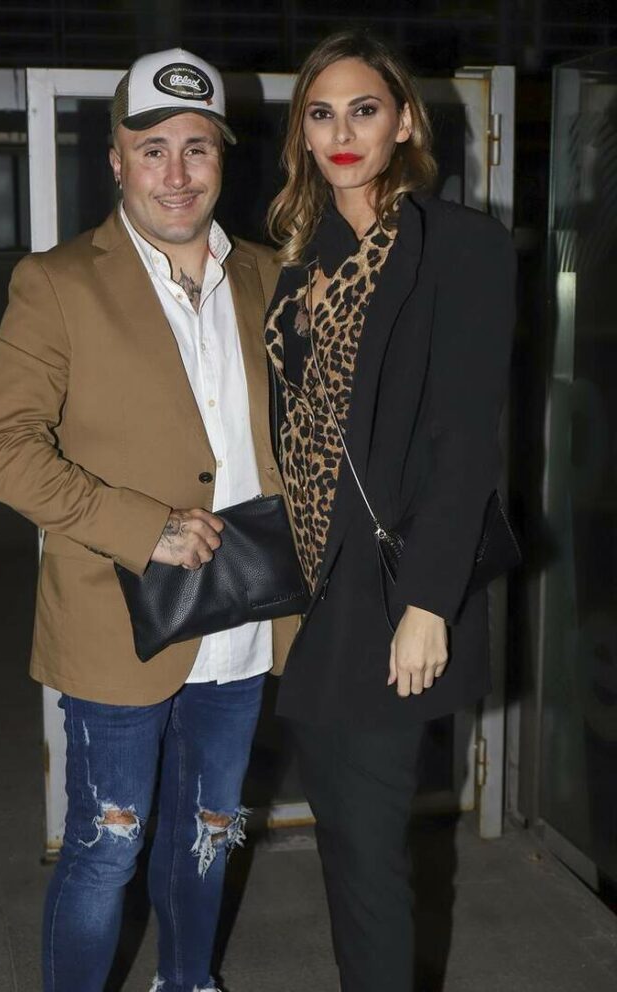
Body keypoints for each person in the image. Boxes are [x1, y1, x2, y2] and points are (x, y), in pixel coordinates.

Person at [0, 48, 297, 992]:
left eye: (197, 148)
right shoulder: (59, 282)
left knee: (208, 837)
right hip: (117, 626)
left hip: (242, 625)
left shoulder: (270, 277)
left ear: (224, 157)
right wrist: (139, 525)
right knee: (106, 851)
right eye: (153, 150)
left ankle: (187, 983)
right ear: (116, 159)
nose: (176, 174)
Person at [265, 30, 516, 992]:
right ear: (303, 132)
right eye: (321, 114)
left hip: (394, 592)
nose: (342, 133)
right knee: (348, 846)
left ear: (403, 122)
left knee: (370, 861)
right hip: (319, 598)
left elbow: (466, 441)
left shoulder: (460, 247)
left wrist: (426, 603)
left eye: (363, 110)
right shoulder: (303, 261)